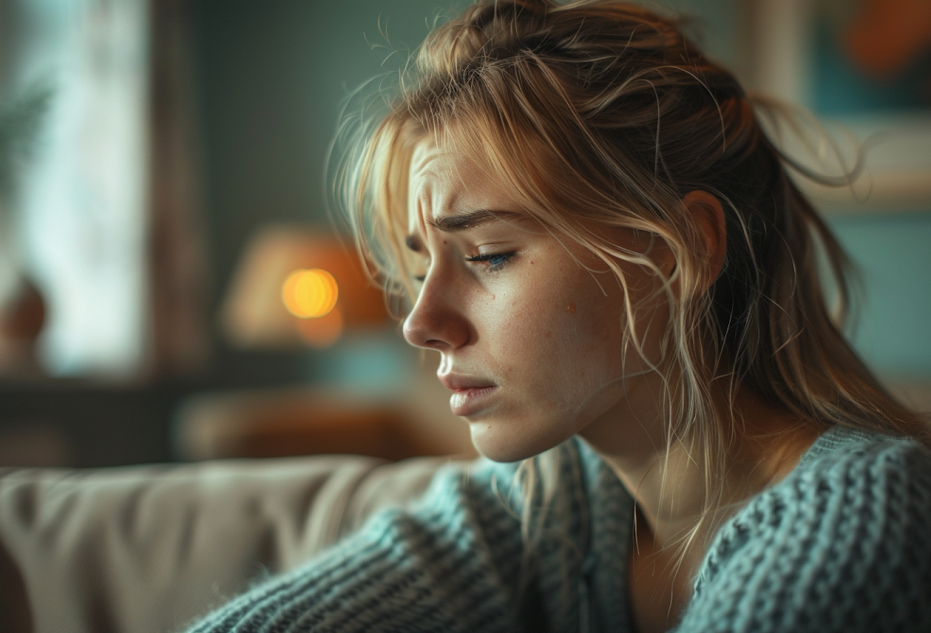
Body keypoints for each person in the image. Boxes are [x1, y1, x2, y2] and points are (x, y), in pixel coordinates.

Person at [188, 1, 931, 631]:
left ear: (682, 253)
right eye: (422, 266)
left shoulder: (859, 522)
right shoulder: (550, 504)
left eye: (487, 255)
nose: (419, 322)